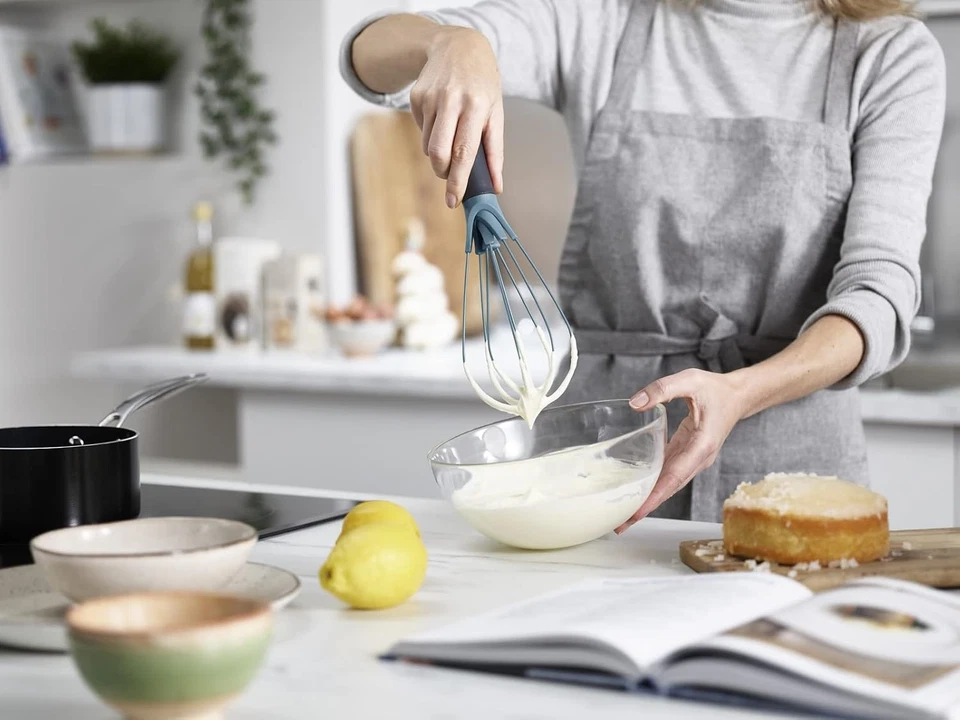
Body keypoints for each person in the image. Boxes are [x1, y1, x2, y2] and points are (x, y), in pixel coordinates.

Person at [339, 0, 945, 526]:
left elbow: (878, 294)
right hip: (601, 466)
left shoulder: (888, 54)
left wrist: (739, 392)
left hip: (793, 468)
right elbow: (368, 57)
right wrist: (450, 41)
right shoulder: (605, 21)